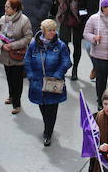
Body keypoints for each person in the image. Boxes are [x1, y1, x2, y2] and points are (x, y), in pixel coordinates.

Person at [24, 18, 72, 146]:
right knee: (42, 106)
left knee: (52, 108)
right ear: (43, 31)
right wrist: (30, 75)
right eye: (50, 30)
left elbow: (66, 62)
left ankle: (48, 133)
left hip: (53, 82)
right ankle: (47, 125)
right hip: (37, 82)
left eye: (54, 30)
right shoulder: (34, 44)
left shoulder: (60, 45)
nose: (52, 33)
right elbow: (27, 59)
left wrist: (57, 75)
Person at [0, 0, 33, 114]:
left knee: (17, 80)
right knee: (9, 77)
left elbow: (28, 37)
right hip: (5, 55)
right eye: (5, 6)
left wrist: (12, 46)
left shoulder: (24, 20)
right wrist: (1, 45)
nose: (5, 8)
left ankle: (17, 103)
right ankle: (11, 96)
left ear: (15, 9)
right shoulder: (3, 19)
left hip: (17, 55)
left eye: (8, 7)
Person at [56, 0, 85, 80]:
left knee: (77, 45)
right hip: (65, 18)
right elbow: (57, 2)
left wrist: (82, 16)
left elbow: (84, 3)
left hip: (78, 19)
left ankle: (75, 70)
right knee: (63, 44)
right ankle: (67, 62)